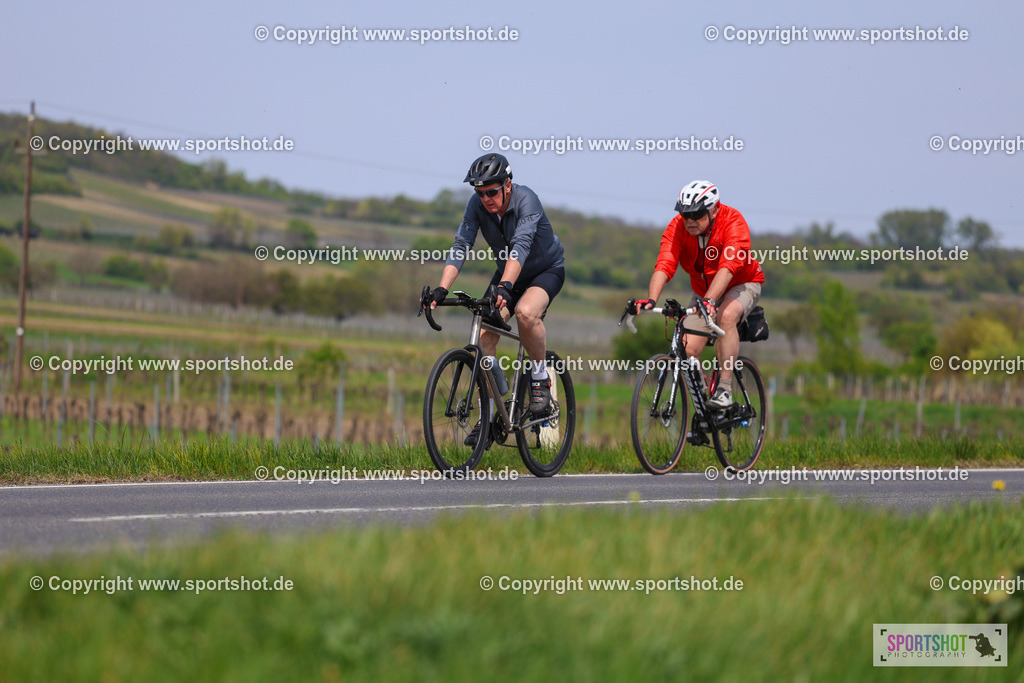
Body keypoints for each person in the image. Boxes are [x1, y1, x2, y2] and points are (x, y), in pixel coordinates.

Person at [423, 153, 566, 446]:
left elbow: (521, 246)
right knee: (484, 335)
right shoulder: (476, 205)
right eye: (480, 192)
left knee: (526, 312)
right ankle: (489, 415)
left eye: (491, 192)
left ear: (508, 185)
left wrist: (504, 287)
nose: (486, 198)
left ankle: (539, 378)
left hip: (543, 271)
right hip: (507, 275)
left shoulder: (528, 200)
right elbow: (462, 244)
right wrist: (442, 288)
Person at [630, 180, 764, 409]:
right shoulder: (678, 227)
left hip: (741, 282)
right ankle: (703, 401)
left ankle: (724, 389)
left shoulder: (733, 221)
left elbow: (728, 267)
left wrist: (711, 301)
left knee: (726, 316)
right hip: (704, 291)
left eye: (697, 214)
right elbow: (665, 263)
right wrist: (651, 299)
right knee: (687, 349)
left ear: (714, 210)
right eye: (685, 214)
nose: (690, 220)